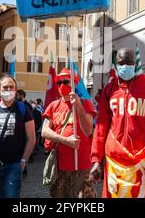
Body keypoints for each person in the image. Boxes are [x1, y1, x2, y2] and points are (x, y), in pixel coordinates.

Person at [90, 48, 145, 198]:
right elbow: (100, 129)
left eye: (129, 62)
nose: (125, 66)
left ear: (136, 63)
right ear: (116, 64)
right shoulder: (109, 90)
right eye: (121, 63)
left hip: (144, 162)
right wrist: (96, 160)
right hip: (114, 163)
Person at [41, 68, 96, 198]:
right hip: (59, 167)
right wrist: (65, 140)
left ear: (74, 83)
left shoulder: (85, 103)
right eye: (59, 83)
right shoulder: (53, 106)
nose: (62, 86)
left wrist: (78, 107)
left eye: (66, 82)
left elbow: (88, 130)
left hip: (81, 167)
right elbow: (44, 131)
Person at [0, 75, 36, 198]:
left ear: (15, 90)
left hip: (14, 165)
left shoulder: (23, 109)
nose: (8, 89)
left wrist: (23, 161)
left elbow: (32, 138)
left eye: (11, 87)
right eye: (5, 87)